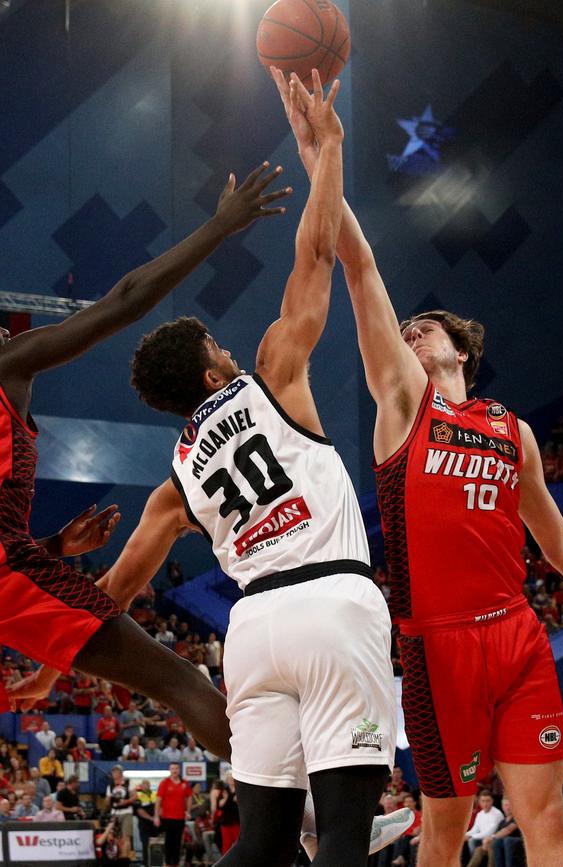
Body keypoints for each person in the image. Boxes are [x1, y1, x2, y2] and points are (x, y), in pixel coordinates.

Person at [270, 66, 563, 867]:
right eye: (402, 331)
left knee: (543, 817)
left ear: (462, 348)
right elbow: (362, 269)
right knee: (444, 828)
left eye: (423, 327)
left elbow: (558, 541)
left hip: (516, 634)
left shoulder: (512, 429)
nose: (408, 333)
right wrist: (322, 159)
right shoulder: (408, 406)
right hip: (435, 647)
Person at [96, 71, 398, 867]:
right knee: (340, 833)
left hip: (252, 631)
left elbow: (117, 592)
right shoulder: (271, 374)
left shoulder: (175, 478)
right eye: (217, 351)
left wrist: (44, 661)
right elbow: (317, 251)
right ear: (210, 373)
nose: (230, 352)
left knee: (262, 841)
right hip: (332, 601)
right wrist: (326, 149)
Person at [0, 160, 290, 763]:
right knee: (182, 682)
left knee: (178, 683)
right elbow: (125, 301)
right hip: (11, 577)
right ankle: (320, 814)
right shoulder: (8, 369)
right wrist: (217, 230)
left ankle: (310, 820)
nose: (11, 336)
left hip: (16, 569)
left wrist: (52, 548)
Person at [154, 763, 192, 867]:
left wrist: (188, 811)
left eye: (176, 768)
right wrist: (156, 816)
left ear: (179, 770)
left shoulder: (185, 783)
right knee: (168, 841)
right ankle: (167, 863)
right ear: (170, 770)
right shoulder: (164, 783)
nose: (174, 770)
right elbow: (158, 800)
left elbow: (189, 797)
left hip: (180, 818)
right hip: (167, 817)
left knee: (178, 842)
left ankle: (175, 863)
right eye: (172, 768)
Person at [135, 780, 157, 867]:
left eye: (147, 784)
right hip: (144, 824)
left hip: (155, 825)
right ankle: (146, 864)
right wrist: (151, 818)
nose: (146, 786)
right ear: (141, 786)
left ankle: (155, 863)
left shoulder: (154, 795)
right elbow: (140, 811)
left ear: (150, 785)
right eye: (144, 784)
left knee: (156, 845)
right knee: (145, 844)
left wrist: (157, 817)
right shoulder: (138, 796)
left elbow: (159, 806)